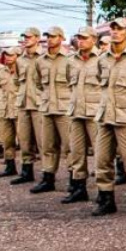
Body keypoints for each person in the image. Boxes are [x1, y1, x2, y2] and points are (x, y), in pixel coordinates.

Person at [92, 18, 126, 216]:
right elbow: (100, 80)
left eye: (119, 29)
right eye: (113, 28)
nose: (115, 32)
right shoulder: (102, 59)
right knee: (102, 160)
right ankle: (106, 199)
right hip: (106, 116)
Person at [32, 27, 73, 195]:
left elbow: (73, 83)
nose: (50, 39)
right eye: (48, 36)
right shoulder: (41, 61)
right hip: (47, 107)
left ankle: (74, 179)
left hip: (65, 108)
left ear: (62, 38)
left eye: (53, 36)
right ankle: (48, 178)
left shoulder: (70, 59)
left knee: (69, 146)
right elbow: (38, 83)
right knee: (48, 145)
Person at [63, 27, 102, 204]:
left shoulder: (102, 59)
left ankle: (104, 192)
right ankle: (79, 188)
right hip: (76, 111)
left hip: (94, 112)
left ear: (94, 40)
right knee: (76, 152)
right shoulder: (71, 60)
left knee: (100, 154)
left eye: (85, 38)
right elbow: (68, 83)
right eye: (79, 38)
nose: (81, 41)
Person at [10, 28, 44, 186]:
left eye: (29, 37)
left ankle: (47, 174)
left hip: (39, 104)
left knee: (43, 142)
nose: (26, 39)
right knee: (24, 139)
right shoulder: (20, 60)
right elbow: (17, 81)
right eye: (24, 37)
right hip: (24, 104)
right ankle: (26, 171)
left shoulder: (44, 58)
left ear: (37, 38)